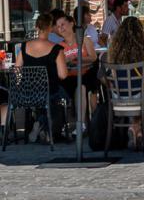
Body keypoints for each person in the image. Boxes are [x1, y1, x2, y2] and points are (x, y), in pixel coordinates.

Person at [16, 12, 68, 143]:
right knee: (63, 97)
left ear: (36, 27)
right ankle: (50, 131)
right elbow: (63, 75)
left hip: (27, 93)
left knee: (46, 100)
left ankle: (40, 123)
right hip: (49, 92)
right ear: (50, 28)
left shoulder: (24, 47)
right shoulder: (57, 49)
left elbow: (17, 70)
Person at [108, 16, 144, 150]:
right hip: (138, 96)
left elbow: (108, 75)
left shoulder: (114, 50)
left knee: (135, 102)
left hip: (118, 98)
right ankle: (136, 127)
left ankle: (136, 130)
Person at [56, 13, 98, 133]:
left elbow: (93, 58)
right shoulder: (59, 46)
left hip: (86, 75)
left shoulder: (84, 40)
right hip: (68, 77)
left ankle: (81, 124)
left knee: (82, 86)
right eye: (58, 27)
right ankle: (72, 124)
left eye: (63, 24)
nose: (61, 28)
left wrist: (75, 58)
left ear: (71, 23)